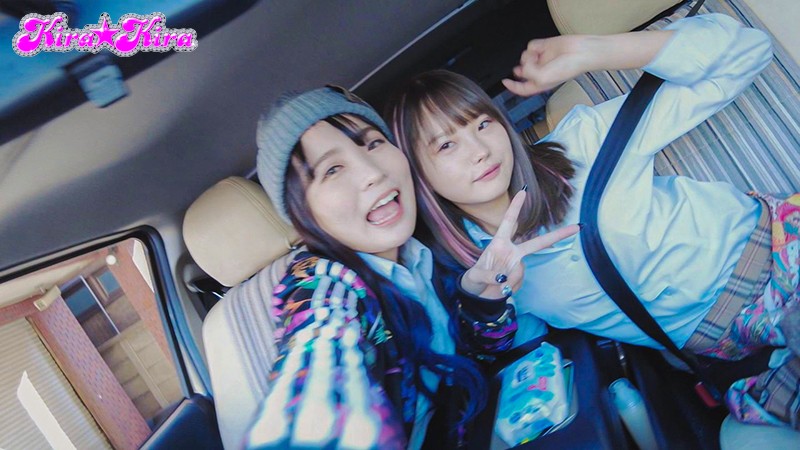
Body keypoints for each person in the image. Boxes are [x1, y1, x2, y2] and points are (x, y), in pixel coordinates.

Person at [385, 13, 800, 429]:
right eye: (446, 145)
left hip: (782, 255)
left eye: (482, 123)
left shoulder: (581, 144)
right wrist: (484, 304)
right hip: (735, 353)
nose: (479, 150)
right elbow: (495, 357)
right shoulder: (476, 271)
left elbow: (747, 52)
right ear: (418, 178)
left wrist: (596, 50)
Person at [243, 87, 578, 449]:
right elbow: (320, 356)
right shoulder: (321, 287)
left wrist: (484, 304)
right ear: (302, 213)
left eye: (373, 144)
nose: (372, 172)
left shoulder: (426, 252)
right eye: (332, 169)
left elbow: (483, 357)